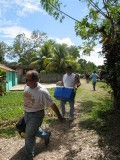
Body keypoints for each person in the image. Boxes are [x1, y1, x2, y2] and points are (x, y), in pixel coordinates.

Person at [22, 70, 63, 160]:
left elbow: (52, 105)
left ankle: (28, 157)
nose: (25, 81)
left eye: (27, 80)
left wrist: (59, 116)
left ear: (34, 80)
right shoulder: (26, 86)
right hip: (26, 113)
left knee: (29, 136)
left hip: (36, 115)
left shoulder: (42, 92)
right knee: (33, 130)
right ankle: (46, 135)